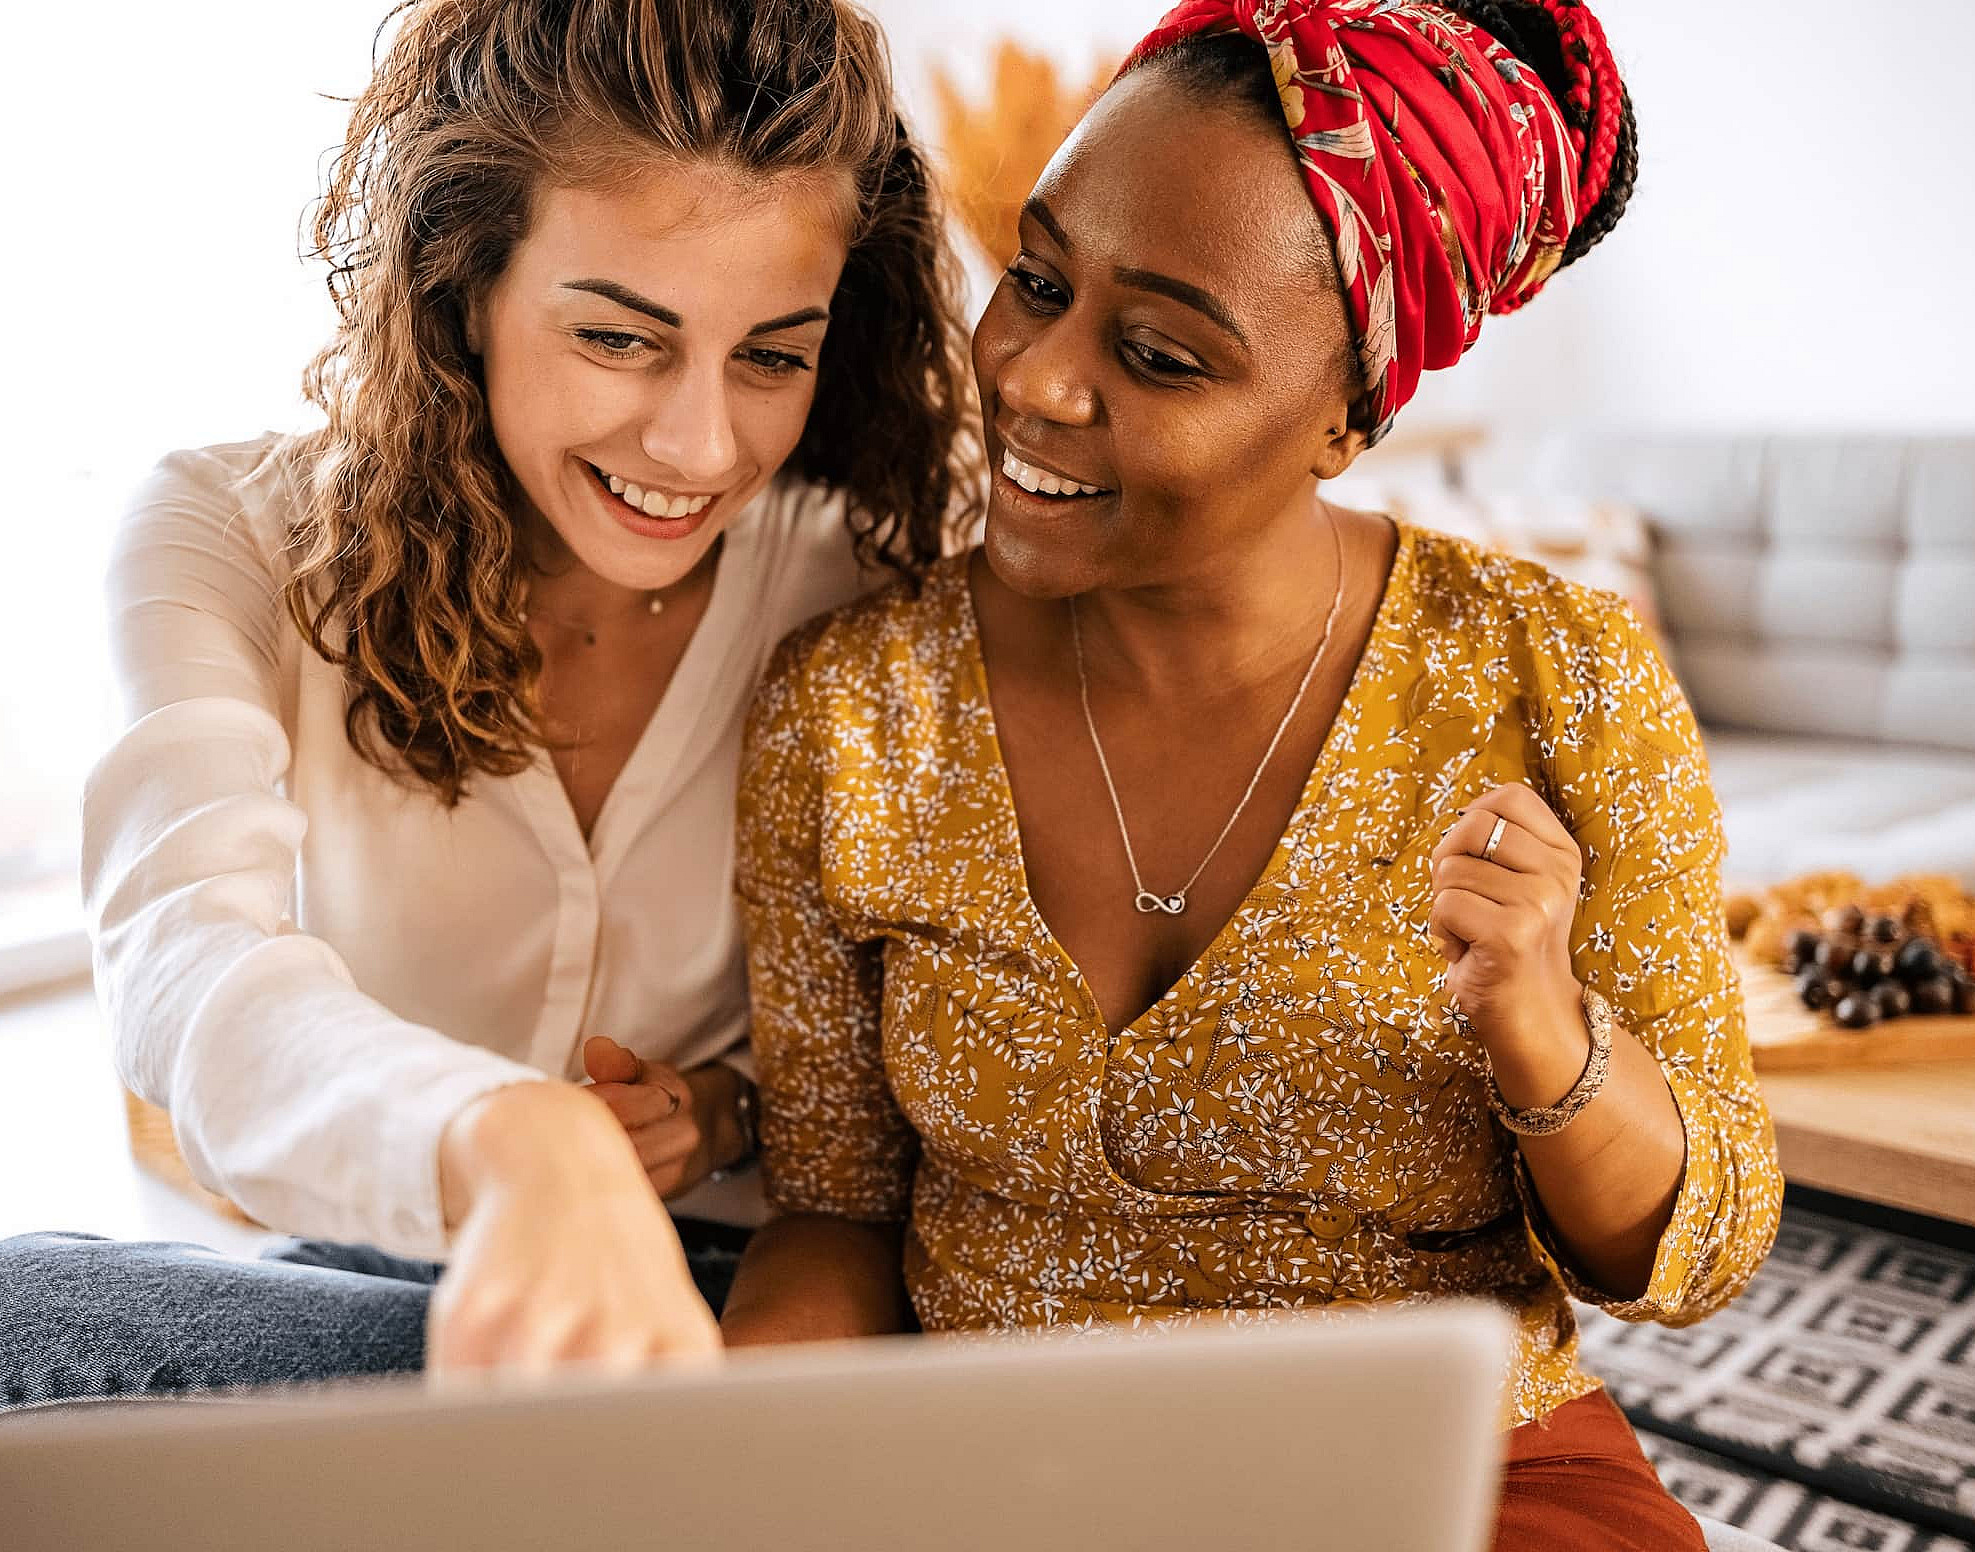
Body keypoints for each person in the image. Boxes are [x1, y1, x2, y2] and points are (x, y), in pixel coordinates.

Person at [718, 2, 1780, 1547]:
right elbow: (833, 1210)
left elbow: (1697, 1250)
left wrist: (1544, 1036)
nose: (1031, 380)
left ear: (1348, 417)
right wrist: (735, 1463)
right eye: (1032, 279)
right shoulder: (851, 704)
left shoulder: (1561, 681)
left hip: (1447, 1471)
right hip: (1001, 1473)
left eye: (1156, 352)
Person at [0, 0, 974, 1423]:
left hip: (767, 1299)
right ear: (461, 280)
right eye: (617, 338)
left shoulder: (876, 570)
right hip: (392, 1285)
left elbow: (961, 1059)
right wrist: (513, 1141)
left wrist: (721, 1108)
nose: (699, 444)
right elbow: (188, 977)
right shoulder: (224, 532)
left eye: (772, 355)